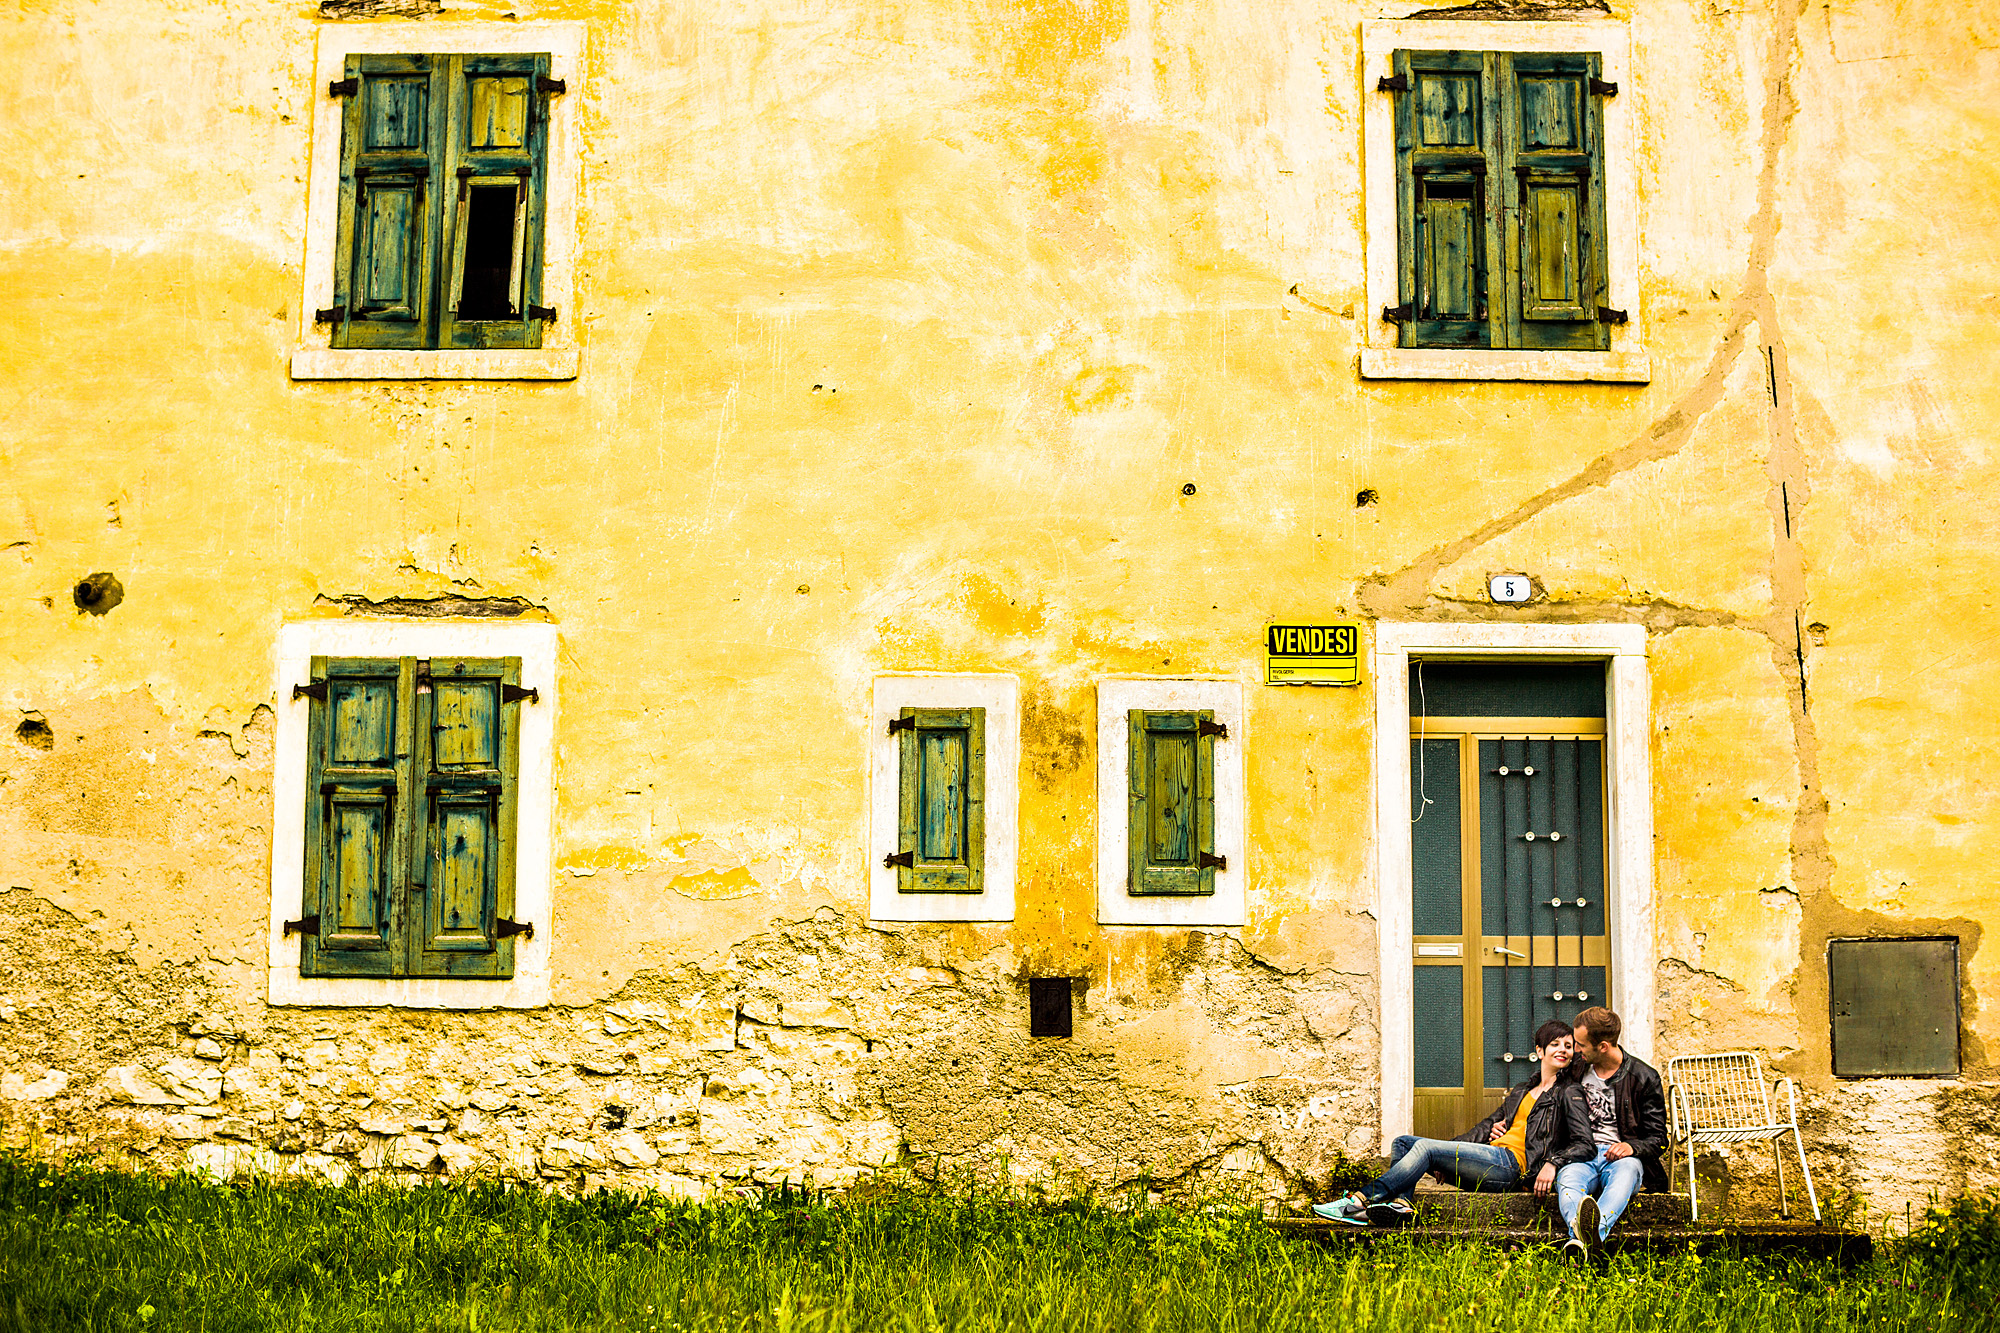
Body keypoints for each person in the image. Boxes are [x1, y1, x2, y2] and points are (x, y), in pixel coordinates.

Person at [1314, 1020, 1593, 1228]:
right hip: (1494, 1155)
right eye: (1555, 1044)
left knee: (1425, 1148)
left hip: (1513, 1166)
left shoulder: (1569, 1092)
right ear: (1540, 1051)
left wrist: (1553, 1162)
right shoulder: (1522, 1090)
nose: (1563, 1050)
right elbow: (1486, 1127)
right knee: (1403, 1142)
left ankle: (1358, 1200)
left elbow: (1585, 1144)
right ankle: (1401, 1206)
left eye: (1568, 1046)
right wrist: (1447, 1153)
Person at [1556, 1005, 1668, 1259]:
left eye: (1581, 1045)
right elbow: (1541, 1091)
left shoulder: (1644, 1077)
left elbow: (1659, 1139)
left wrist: (1632, 1147)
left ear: (1603, 1046)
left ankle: (1578, 1241)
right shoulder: (1575, 1070)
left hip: (1621, 1159)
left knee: (1626, 1172)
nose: (1575, 1050)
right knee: (1567, 1181)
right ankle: (1587, 1242)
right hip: (1581, 1154)